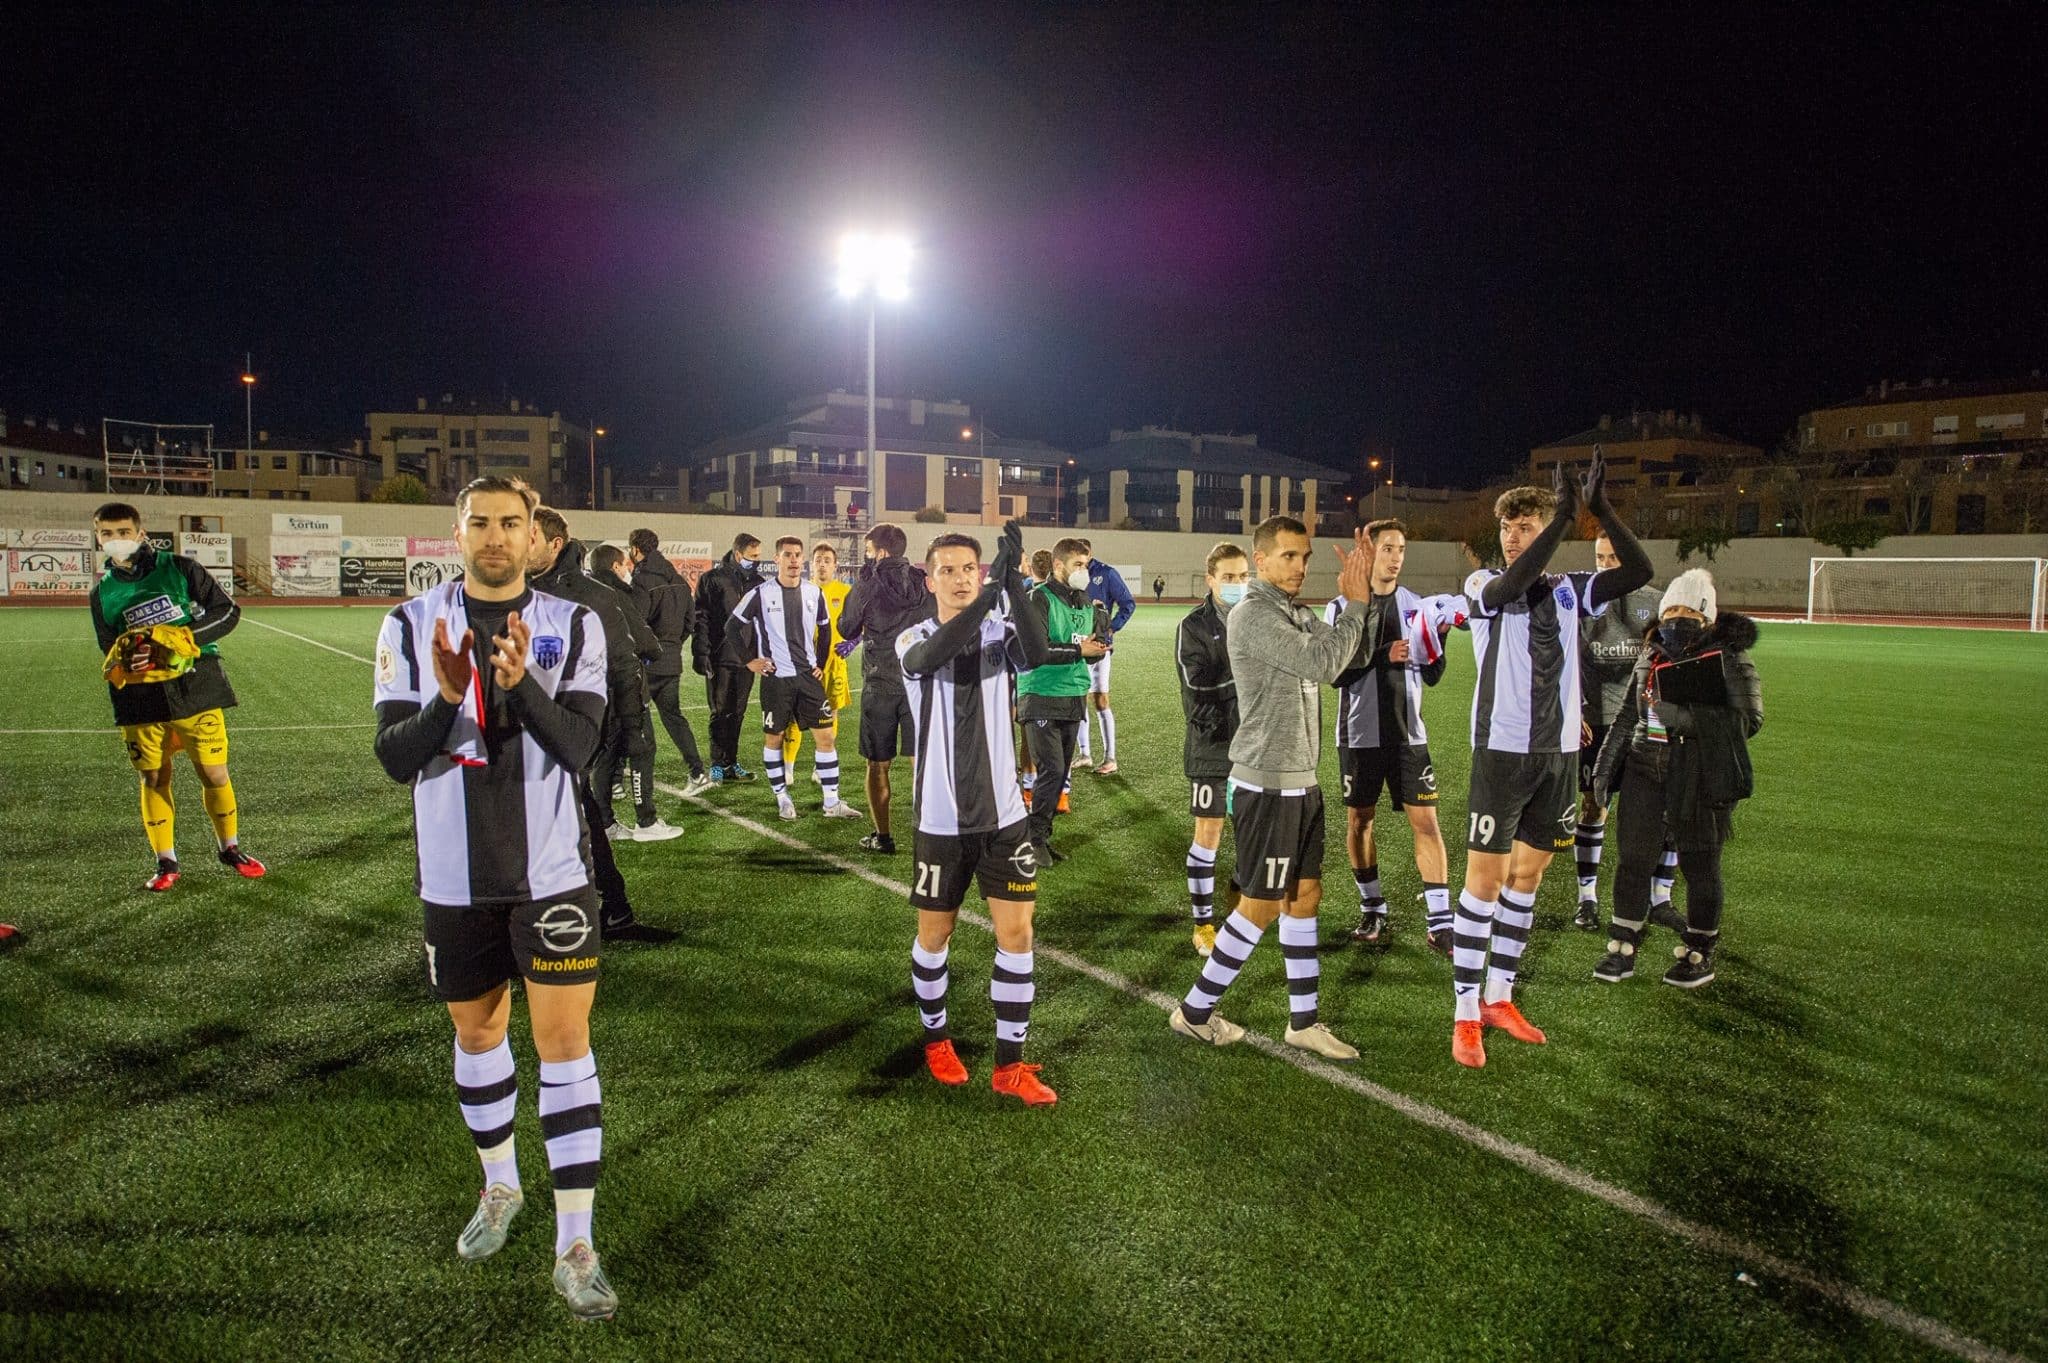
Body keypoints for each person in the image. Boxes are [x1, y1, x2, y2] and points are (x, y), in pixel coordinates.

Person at [371, 476, 618, 1322]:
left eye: (511, 523)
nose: (496, 537)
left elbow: (582, 745)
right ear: (458, 531)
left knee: (564, 1042)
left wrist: (519, 685)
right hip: (453, 877)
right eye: (481, 522)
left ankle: (575, 1241)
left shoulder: (573, 624)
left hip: (551, 875)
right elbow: (396, 757)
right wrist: (447, 698)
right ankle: (502, 1186)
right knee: (477, 1032)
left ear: (535, 535)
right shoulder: (407, 625)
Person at [1451, 448, 1652, 1068]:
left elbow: (1638, 569)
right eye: (1507, 528)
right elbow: (1514, 584)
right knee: (1483, 883)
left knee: (1528, 879)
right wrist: (1564, 518)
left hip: (1558, 755)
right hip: (1502, 753)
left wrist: (1601, 511)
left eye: (1525, 527)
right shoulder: (1485, 584)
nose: (1512, 538)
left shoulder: (1571, 590)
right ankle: (1463, 1014)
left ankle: (1499, 997)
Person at [1168, 515, 1382, 1061]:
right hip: (1266, 781)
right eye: (1288, 556)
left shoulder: (1295, 612)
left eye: (1306, 557)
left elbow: (1353, 656)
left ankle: (1303, 1022)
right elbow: (1324, 661)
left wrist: (1371, 594)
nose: (1300, 566)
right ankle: (1193, 1013)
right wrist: (1354, 606)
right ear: (1260, 560)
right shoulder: (1253, 615)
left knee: (1304, 897)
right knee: (1261, 904)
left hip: (1301, 779)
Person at [896, 521, 1059, 1105]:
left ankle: (1008, 1066)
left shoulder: (998, 625)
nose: (961, 578)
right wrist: (991, 596)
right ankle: (936, 1039)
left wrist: (1013, 585)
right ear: (929, 576)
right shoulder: (911, 635)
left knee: (1018, 934)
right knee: (934, 936)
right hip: (939, 823)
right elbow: (933, 655)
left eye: (971, 568)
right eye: (949, 570)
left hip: (1004, 818)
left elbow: (1037, 652)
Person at [1591, 570, 1762, 988]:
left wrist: (1684, 720)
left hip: (1699, 774)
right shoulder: (1650, 652)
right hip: (1643, 768)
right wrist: (1604, 768)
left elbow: (1750, 719)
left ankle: (1700, 950)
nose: (1675, 617)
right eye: (1670, 609)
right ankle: (1622, 944)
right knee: (1633, 860)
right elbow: (1628, 715)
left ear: (1705, 616)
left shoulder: (1730, 655)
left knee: (1701, 864)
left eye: (1686, 610)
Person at [88, 501, 265, 891]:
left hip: (195, 685)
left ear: (139, 533)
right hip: (139, 696)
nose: (115, 541)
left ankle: (230, 847)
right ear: (98, 538)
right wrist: (127, 659)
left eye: (122, 532)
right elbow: (108, 646)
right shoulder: (100, 593)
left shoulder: (181, 568)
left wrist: (184, 639)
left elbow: (227, 612)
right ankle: (166, 861)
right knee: (153, 777)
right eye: (107, 534)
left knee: (214, 772)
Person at [1323, 519, 1453, 949]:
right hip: (1358, 736)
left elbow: (1432, 674)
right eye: (1388, 548)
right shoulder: (1341, 608)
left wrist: (1442, 640)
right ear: (1369, 553)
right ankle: (1373, 908)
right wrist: (1382, 654)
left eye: (1401, 549)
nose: (1396, 557)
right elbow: (1334, 674)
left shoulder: (1417, 607)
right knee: (1360, 821)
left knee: (1427, 822)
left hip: (1409, 736)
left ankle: (1440, 921)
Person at [529, 510, 681, 852]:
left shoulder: (595, 595)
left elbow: (623, 657)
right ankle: (643, 820)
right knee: (634, 752)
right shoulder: (505, 592)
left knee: (591, 771)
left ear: (555, 544)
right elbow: (643, 646)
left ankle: (605, 828)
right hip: (572, 712)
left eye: (529, 534)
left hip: (587, 710)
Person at [729, 536, 861, 823]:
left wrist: (821, 664)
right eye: (787, 555)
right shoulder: (760, 594)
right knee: (774, 738)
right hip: (777, 680)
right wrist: (749, 661)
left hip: (808, 679)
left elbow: (825, 630)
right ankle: (782, 798)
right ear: (776, 559)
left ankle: (832, 801)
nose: (793, 560)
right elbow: (732, 628)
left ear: (802, 560)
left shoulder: (815, 594)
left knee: (826, 737)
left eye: (797, 555)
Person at [1573, 533, 1665, 931]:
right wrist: (1575, 709)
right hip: (1596, 721)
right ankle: (1586, 898)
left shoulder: (1655, 601)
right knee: (1594, 807)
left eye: (1614, 557)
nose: (1607, 565)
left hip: (1645, 723)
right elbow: (1567, 661)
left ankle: (1659, 898)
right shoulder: (1583, 603)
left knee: (1656, 811)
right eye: (1600, 557)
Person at [837, 522, 930, 855]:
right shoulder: (924, 583)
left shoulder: (866, 585)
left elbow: (846, 628)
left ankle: (884, 837)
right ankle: (931, 833)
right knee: (923, 762)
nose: (865, 555)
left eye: (867, 549)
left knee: (878, 764)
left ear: (880, 551)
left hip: (881, 682)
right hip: (919, 682)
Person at [1176, 542, 1249, 956]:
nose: (1237, 584)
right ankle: (1203, 923)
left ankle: (1240, 915)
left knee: (1250, 832)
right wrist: (1240, 680)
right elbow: (1195, 687)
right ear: (1211, 580)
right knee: (1210, 831)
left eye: (1242, 577)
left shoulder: (1258, 619)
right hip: (1211, 745)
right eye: (1228, 577)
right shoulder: (1193, 626)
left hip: (1254, 749)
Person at [1017, 537, 1109, 863]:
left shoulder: (1085, 603)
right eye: (1078, 565)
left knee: (1060, 773)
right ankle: (1031, 839)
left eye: (1087, 564)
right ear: (1058, 566)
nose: (1084, 571)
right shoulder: (1037, 599)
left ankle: (1040, 836)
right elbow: (1035, 651)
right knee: (1052, 770)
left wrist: (1100, 645)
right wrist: (1080, 650)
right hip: (1040, 693)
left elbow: (1090, 656)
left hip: (1073, 695)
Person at [624, 529, 712, 796]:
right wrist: (672, 646)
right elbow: (689, 622)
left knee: (631, 720)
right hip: (672, 661)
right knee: (674, 718)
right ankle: (697, 771)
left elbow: (636, 624)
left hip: (647, 663)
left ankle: (619, 782)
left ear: (636, 550)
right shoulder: (680, 581)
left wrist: (649, 650)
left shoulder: (641, 582)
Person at [691, 533, 765, 782]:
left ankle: (731, 763)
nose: (755, 562)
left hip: (747, 659)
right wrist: (701, 653)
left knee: (738, 713)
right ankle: (716, 764)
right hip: (720, 656)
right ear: (737, 554)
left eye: (758, 557)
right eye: (752, 557)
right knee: (720, 712)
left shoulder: (760, 583)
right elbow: (700, 618)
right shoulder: (712, 579)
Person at [780, 542, 852, 770]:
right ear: (811, 565)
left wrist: (852, 642)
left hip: (834, 665)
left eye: (827, 561)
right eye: (818, 560)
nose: (822, 565)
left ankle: (820, 767)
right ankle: (788, 767)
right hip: (805, 665)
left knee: (830, 714)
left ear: (835, 566)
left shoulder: (846, 593)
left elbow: (859, 626)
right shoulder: (800, 590)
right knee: (793, 714)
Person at [1071, 538, 1134, 775]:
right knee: (1077, 699)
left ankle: (1110, 758)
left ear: (1090, 554)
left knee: (1100, 700)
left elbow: (1128, 603)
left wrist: (1111, 628)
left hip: (1100, 647)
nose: (1079, 563)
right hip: (1077, 647)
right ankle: (1085, 753)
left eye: (1082, 557)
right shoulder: (1070, 575)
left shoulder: (1106, 574)